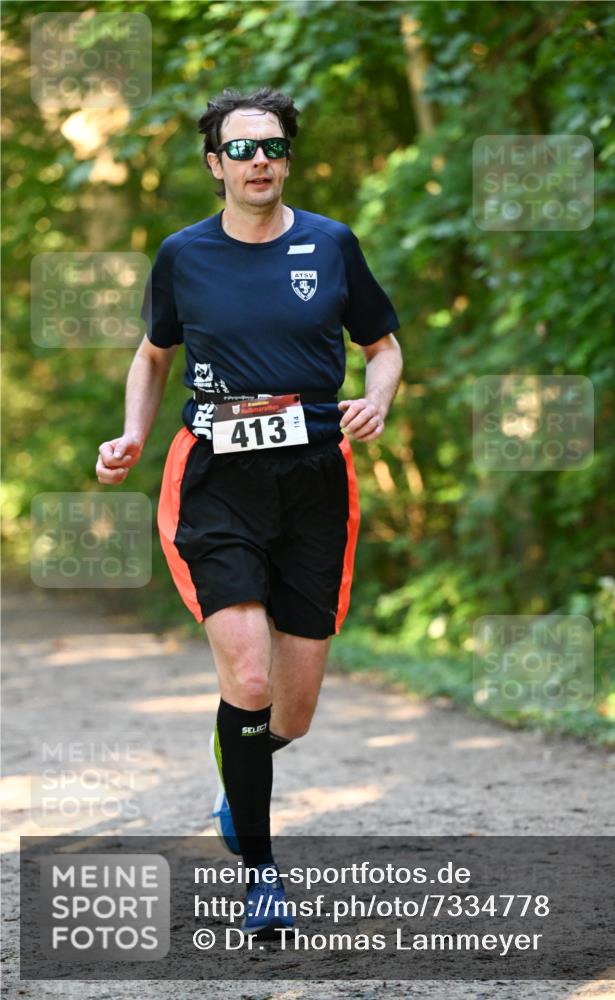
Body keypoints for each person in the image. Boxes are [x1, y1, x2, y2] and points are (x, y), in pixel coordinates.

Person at [96, 86, 402, 937]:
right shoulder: (183, 255)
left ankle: (236, 767)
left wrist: (377, 398)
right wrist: (131, 434)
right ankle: (262, 877)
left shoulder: (330, 245)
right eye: (240, 148)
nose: (258, 160)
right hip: (217, 478)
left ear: (286, 159)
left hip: (314, 480)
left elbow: (382, 347)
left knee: (289, 715)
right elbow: (152, 356)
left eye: (272, 146)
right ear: (215, 164)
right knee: (252, 681)